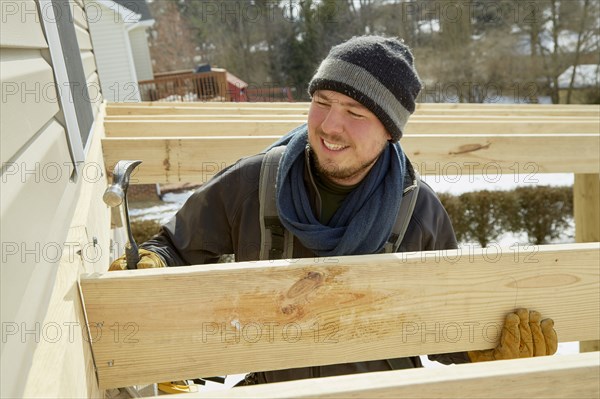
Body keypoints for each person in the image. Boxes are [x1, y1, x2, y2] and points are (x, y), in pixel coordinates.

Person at [110, 35, 557, 385]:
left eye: (354, 111)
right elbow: (173, 248)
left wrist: (484, 351)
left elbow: (445, 326)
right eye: (321, 103)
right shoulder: (256, 183)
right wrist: (150, 270)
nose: (329, 125)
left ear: (389, 131)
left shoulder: (418, 213)